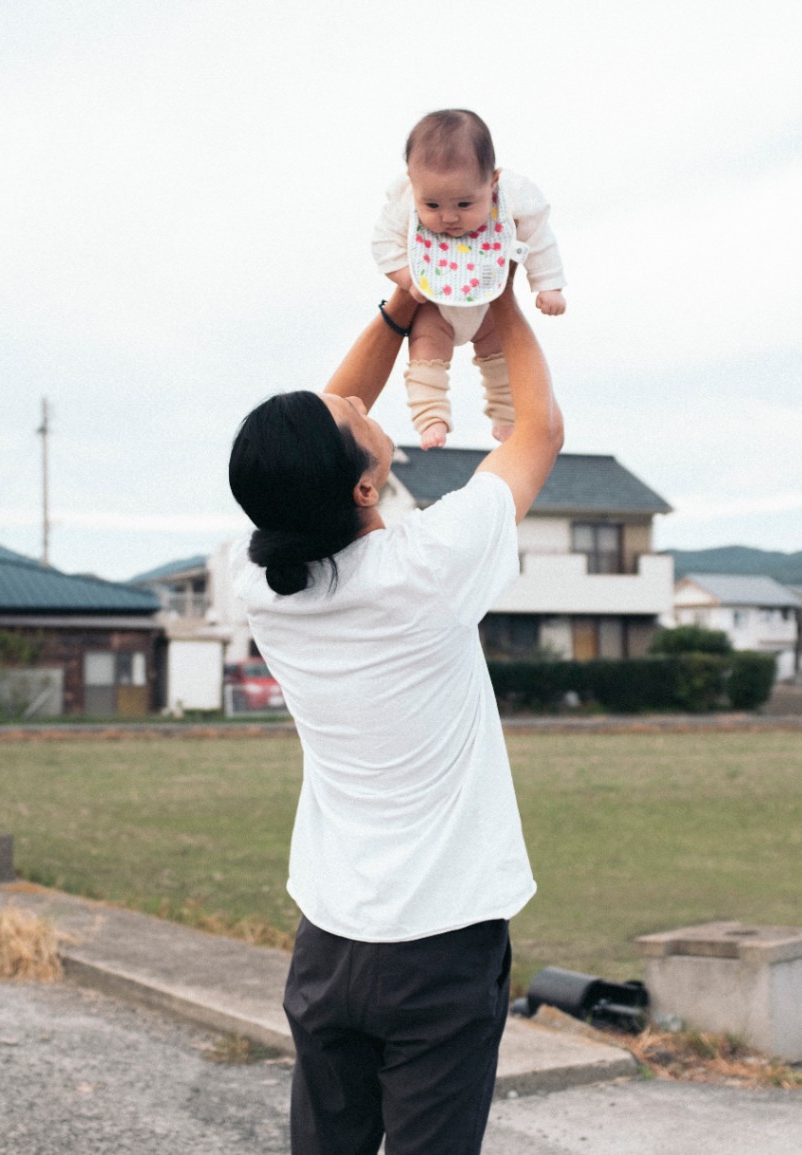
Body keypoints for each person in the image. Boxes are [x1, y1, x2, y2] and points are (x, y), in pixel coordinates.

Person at [227, 270, 563, 1155]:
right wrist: (495, 298)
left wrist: (402, 305)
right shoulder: (430, 566)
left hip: (331, 942)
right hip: (441, 948)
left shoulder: (264, 587)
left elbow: (319, 435)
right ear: (364, 489)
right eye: (352, 419)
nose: (355, 401)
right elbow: (539, 431)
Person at [371, 108, 566, 449]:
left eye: (464, 204)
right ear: (413, 184)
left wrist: (548, 284)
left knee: (501, 356)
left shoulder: (513, 196)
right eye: (432, 205)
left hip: (487, 303)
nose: (448, 217)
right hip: (434, 306)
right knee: (424, 355)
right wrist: (408, 280)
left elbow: (538, 237)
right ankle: (430, 416)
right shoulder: (404, 201)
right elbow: (383, 246)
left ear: (492, 182)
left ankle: (506, 418)